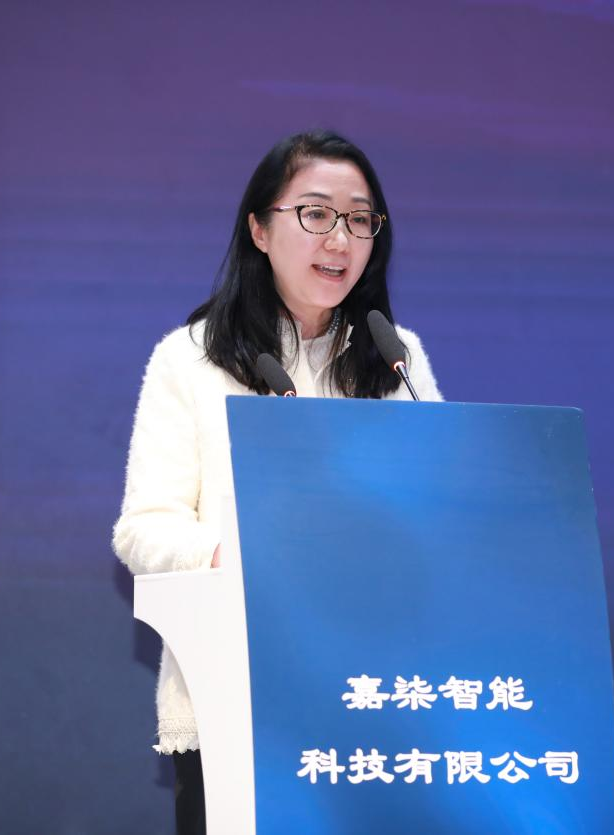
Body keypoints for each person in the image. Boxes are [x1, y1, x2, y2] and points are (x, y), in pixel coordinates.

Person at [111, 129, 443, 834]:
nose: (340, 238)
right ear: (259, 229)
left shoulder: (397, 360)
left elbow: (438, 514)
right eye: (315, 213)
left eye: (360, 219)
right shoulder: (190, 361)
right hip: (237, 695)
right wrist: (236, 558)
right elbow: (143, 528)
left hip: (376, 699)